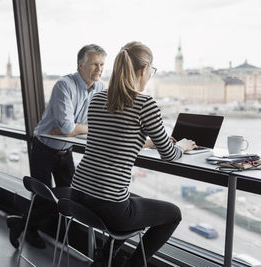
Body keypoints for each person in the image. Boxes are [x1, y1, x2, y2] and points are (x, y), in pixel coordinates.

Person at [70, 42, 197, 267]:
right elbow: (169, 155)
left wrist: (146, 143)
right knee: (173, 214)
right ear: (143, 71)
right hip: (108, 206)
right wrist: (183, 146)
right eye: (152, 70)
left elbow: (111, 141)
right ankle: (135, 265)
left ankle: (101, 260)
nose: (151, 75)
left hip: (79, 192)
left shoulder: (98, 98)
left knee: (133, 199)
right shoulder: (145, 103)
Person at [6, 44, 107, 249]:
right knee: (43, 197)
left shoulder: (100, 88)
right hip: (43, 149)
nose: (99, 69)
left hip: (65, 151)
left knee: (71, 198)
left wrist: (70, 129)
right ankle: (29, 230)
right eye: (94, 64)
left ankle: (19, 222)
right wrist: (70, 129)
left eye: (102, 64)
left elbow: (91, 124)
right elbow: (69, 127)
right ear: (80, 65)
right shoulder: (64, 85)